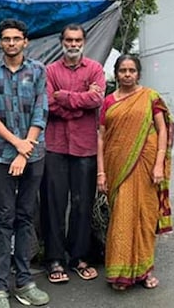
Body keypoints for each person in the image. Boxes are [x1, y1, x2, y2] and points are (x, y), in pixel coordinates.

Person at [0, 19, 51, 308]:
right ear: (0, 42)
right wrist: (16, 144)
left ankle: (24, 281)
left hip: (33, 155)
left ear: (25, 41)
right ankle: (0, 288)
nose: (11, 43)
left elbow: (40, 111)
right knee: (4, 218)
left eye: (16, 38)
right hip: (0, 155)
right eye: (6, 38)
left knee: (25, 217)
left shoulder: (37, 71)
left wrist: (25, 150)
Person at [98, 54, 174, 292]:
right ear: (116, 73)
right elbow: (101, 137)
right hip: (117, 166)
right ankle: (120, 273)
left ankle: (145, 271)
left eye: (132, 70)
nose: (127, 74)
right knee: (121, 215)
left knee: (144, 216)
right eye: (123, 70)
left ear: (138, 73)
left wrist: (159, 163)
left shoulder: (150, 97)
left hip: (147, 164)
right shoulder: (108, 102)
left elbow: (162, 129)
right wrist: (101, 172)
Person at [42, 24, 105, 285]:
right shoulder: (50, 71)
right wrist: (79, 104)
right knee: (53, 205)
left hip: (85, 147)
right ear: (61, 42)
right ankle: (54, 259)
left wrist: (66, 97)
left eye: (77, 40)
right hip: (55, 146)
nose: (73, 44)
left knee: (82, 204)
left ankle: (79, 257)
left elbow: (97, 100)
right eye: (68, 40)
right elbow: (48, 104)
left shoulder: (95, 69)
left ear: (84, 42)